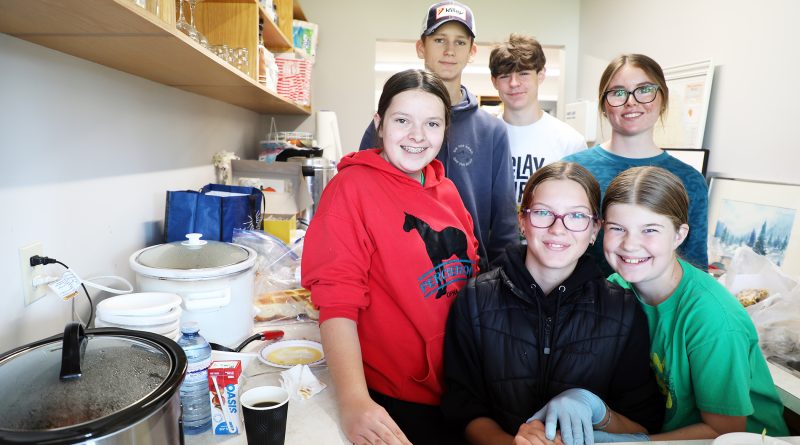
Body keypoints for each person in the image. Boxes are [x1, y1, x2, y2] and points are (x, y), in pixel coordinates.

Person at [302, 69, 480, 445]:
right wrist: (354, 402)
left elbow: (472, 268)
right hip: (396, 399)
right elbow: (336, 304)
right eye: (403, 121)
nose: (417, 136)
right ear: (379, 124)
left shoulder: (445, 188)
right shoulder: (350, 189)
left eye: (432, 123)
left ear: (446, 130)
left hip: (460, 388)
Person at [441, 161, 664, 445]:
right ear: (522, 220)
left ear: (595, 229)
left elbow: (643, 423)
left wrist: (597, 415)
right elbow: (463, 408)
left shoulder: (622, 310)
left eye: (577, 216)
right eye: (544, 213)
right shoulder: (474, 299)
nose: (558, 229)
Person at [595, 166, 788, 442]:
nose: (630, 244)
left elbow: (724, 430)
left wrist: (634, 443)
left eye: (649, 230)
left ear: (679, 235)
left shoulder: (711, 318)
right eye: (617, 228)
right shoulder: (617, 287)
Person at [359, 0, 518, 270]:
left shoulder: (492, 132)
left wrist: (498, 288)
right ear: (421, 46)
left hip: (470, 277)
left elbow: (504, 225)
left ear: (472, 51)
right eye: (439, 39)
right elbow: (360, 200)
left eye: (459, 42)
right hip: (395, 274)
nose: (449, 50)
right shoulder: (390, 127)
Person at [563, 54, 708, 275]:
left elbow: (695, 268)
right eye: (618, 93)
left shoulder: (689, 180)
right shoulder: (571, 171)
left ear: (663, 99)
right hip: (580, 304)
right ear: (603, 105)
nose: (631, 101)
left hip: (655, 308)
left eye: (644, 90)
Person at [489, 33, 587, 206]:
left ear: (540, 75)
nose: (513, 83)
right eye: (505, 76)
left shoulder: (570, 142)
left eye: (523, 74)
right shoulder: (484, 138)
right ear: (494, 81)